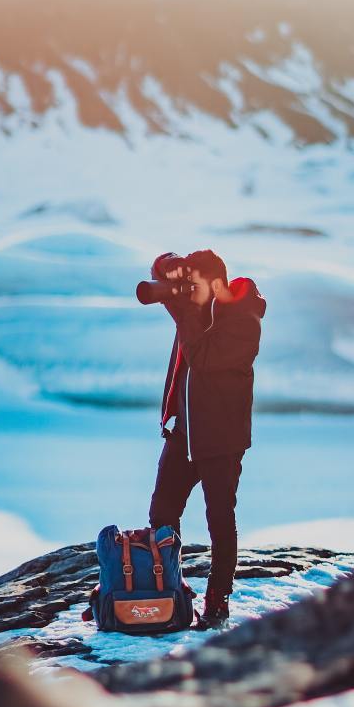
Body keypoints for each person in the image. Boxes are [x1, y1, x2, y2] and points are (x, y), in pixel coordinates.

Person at [148, 248, 267, 629]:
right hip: (183, 433)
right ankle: (171, 591)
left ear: (216, 284)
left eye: (192, 286)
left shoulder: (244, 321)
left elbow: (202, 357)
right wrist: (171, 266)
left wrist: (185, 312)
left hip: (221, 437)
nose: (185, 294)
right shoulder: (194, 308)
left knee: (219, 518)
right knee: (162, 513)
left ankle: (218, 601)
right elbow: (156, 268)